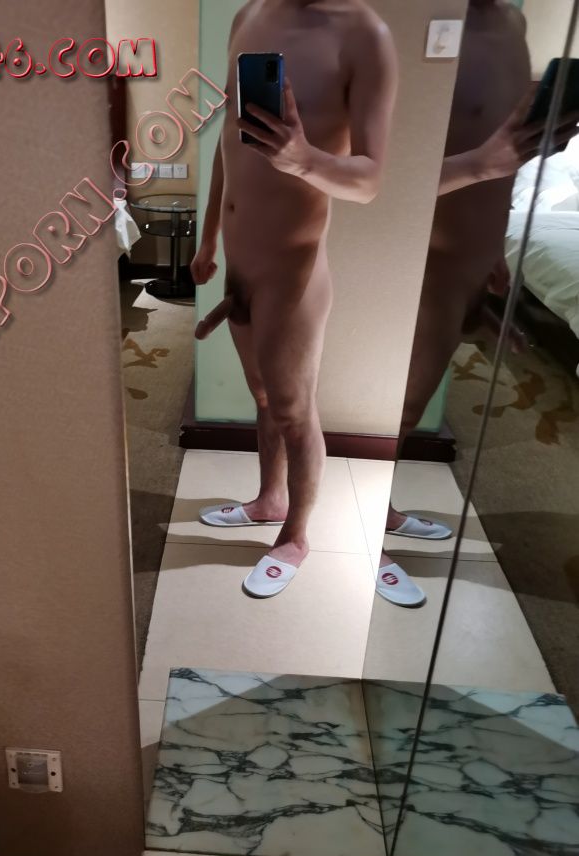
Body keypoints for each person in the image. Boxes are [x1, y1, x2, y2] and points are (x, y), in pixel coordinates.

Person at [190, 0, 398, 598]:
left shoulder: (366, 34)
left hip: (293, 273)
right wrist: (209, 239)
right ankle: (269, 500)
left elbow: (369, 180)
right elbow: (230, 140)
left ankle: (296, 537)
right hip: (239, 263)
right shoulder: (249, 15)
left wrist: (302, 159)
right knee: (263, 396)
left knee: (294, 411)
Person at [376, 0, 577, 608]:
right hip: (405, 257)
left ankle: (378, 512)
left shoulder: (510, 22)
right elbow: (367, 172)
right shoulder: (402, 16)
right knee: (377, 413)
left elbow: (493, 156)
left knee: (405, 413)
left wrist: (491, 245)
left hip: (462, 260)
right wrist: (486, 163)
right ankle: (356, 536)